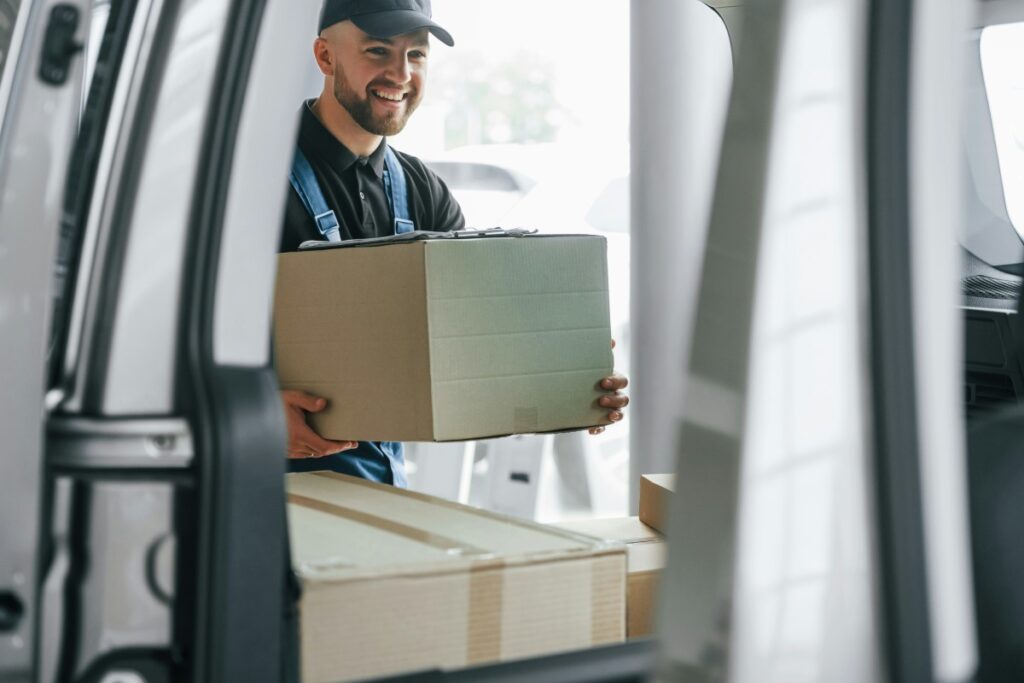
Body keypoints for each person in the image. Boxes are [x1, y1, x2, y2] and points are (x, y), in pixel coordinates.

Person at [279, 0, 629, 485]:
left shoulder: (424, 191)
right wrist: (254, 413)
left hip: (381, 488)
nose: (400, 74)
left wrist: (570, 372)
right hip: (262, 485)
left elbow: (473, 333)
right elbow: (159, 334)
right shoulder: (250, 179)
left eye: (416, 56)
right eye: (378, 51)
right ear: (325, 57)